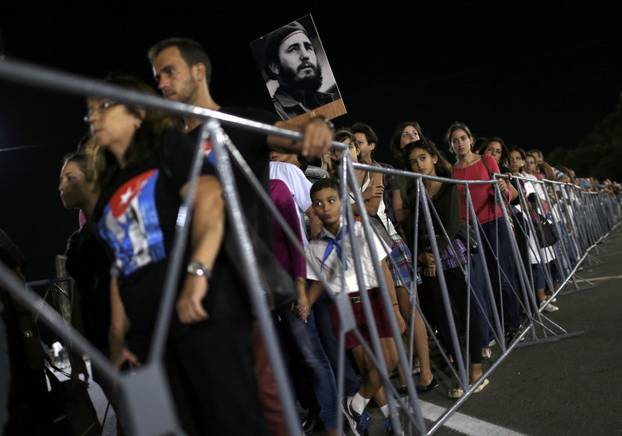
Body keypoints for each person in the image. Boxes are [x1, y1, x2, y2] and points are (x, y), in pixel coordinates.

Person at [86, 75, 269, 436]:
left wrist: (198, 274)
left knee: (231, 422)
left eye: (104, 106)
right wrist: (120, 340)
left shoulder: (169, 147)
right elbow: (120, 266)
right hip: (149, 335)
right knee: (171, 429)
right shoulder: (108, 187)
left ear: (138, 112)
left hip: (201, 310)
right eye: (89, 112)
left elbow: (210, 200)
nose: (94, 117)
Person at [306, 178, 400, 435]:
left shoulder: (361, 229)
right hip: (344, 305)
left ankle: (354, 405)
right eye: (318, 203)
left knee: (388, 360)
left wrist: (394, 306)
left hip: (373, 298)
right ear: (313, 209)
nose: (325, 207)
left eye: (331, 200)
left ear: (342, 202)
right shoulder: (315, 246)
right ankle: (390, 416)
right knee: (368, 365)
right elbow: (319, 282)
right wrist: (304, 304)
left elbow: (382, 268)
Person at [402, 139, 489, 398]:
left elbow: (451, 225)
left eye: (422, 158)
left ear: (434, 159)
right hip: (428, 263)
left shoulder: (449, 186)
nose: (418, 165)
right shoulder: (413, 192)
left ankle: (475, 368)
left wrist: (434, 255)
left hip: (451, 256)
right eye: (413, 162)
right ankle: (461, 368)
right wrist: (421, 256)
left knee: (465, 310)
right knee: (443, 316)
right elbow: (411, 229)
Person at [447, 122, 523, 343]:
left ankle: (513, 323)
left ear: (470, 139)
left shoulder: (487, 160)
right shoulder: (452, 171)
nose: (459, 143)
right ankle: (495, 326)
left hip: (495, 221)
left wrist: (501, 190)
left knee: (503, 273)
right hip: (471, 230)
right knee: (483, 279)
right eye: (454, 140)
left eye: (462, 138)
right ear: (451, 145)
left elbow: (504, 191)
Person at [263, 21, 337, 120]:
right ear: (275, 67)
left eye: (308, 47)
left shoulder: (333, 99)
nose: (305, 55)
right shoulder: (275, 114)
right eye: (293, 49)